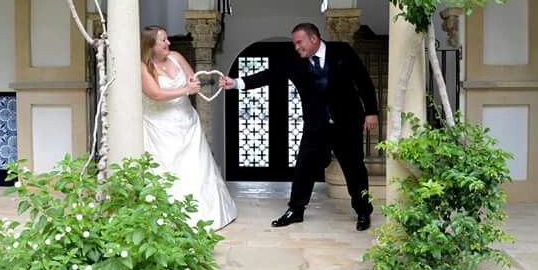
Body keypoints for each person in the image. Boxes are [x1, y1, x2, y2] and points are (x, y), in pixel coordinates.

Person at [221, 23, 378, 231]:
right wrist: (236, 83)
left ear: (314, 39)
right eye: (295, 43)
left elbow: (363, 80)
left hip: (347, 123)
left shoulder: (342, 51)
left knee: (354, 169)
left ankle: (363, 212)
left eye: (299, 42)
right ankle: (296, 210)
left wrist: (371, 112)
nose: (296, 47)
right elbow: (269, 75)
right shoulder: (293, 60)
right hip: (316, 125)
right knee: (304, 167)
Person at [141, 25, 237, 231]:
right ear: (150, 45)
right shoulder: (142, 67)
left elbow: (194, 78)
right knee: (167, 169)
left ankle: (206, 215)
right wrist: (186, 89)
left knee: (197, 166)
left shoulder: (175, 56)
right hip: (160, 127)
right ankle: (168, 218)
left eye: (167, 39)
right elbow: (156, 94)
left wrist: (200, 82)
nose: (168, 43)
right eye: (163, 40)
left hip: (187, 122)